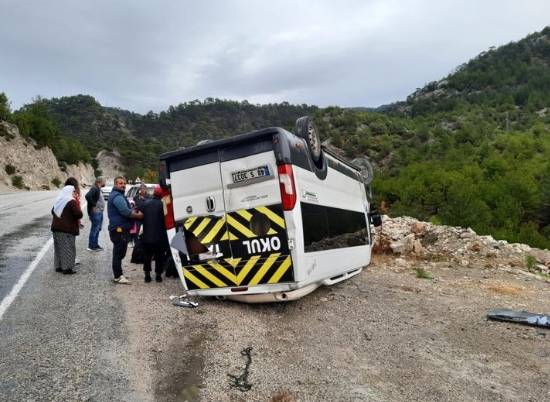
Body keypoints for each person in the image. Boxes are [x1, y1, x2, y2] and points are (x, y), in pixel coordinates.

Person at [107, 176, 143, 284]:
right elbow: (125, 212)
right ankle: (118, 276)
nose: (123, 185)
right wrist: (138, 216)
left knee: (120, 253)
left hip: (120, 229)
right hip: (119, 230)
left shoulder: (118, 195)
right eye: (120, 183)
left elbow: (126, 210)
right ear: (115, 184)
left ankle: (118, 274)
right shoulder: (117, 197)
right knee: (118, 253)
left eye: (124, 183)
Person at [51, 177, 83, 275]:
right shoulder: (71, 201)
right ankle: (67, 268)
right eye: (73, 191)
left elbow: (53, 211)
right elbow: (79, 214)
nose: (74, 192)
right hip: (66, 229)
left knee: (58, 248)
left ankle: (58, 266)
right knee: (68, 248)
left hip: (56, 228)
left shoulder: (59, 200)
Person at [138, 186, 169, 282]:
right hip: (160, 237)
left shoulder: (145, 203)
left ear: (154, 193)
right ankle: (158, 276)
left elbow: (140, 216)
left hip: (147, 236)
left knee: (147, 257)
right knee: (159, 256)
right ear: (161, 195)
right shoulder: (163, 205)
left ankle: (147, 276)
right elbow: (166, 220)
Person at [85, 177, 105, 251]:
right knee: (95, 229)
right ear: (100, 181)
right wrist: (93, 205)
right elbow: (87, 196)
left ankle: (95, 245)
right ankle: (91, 246)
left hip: (99, 212)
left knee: (97, 229)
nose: (105, 182)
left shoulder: (98, 188)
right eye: (104, 181)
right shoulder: (94, 188)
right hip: (96, 212)